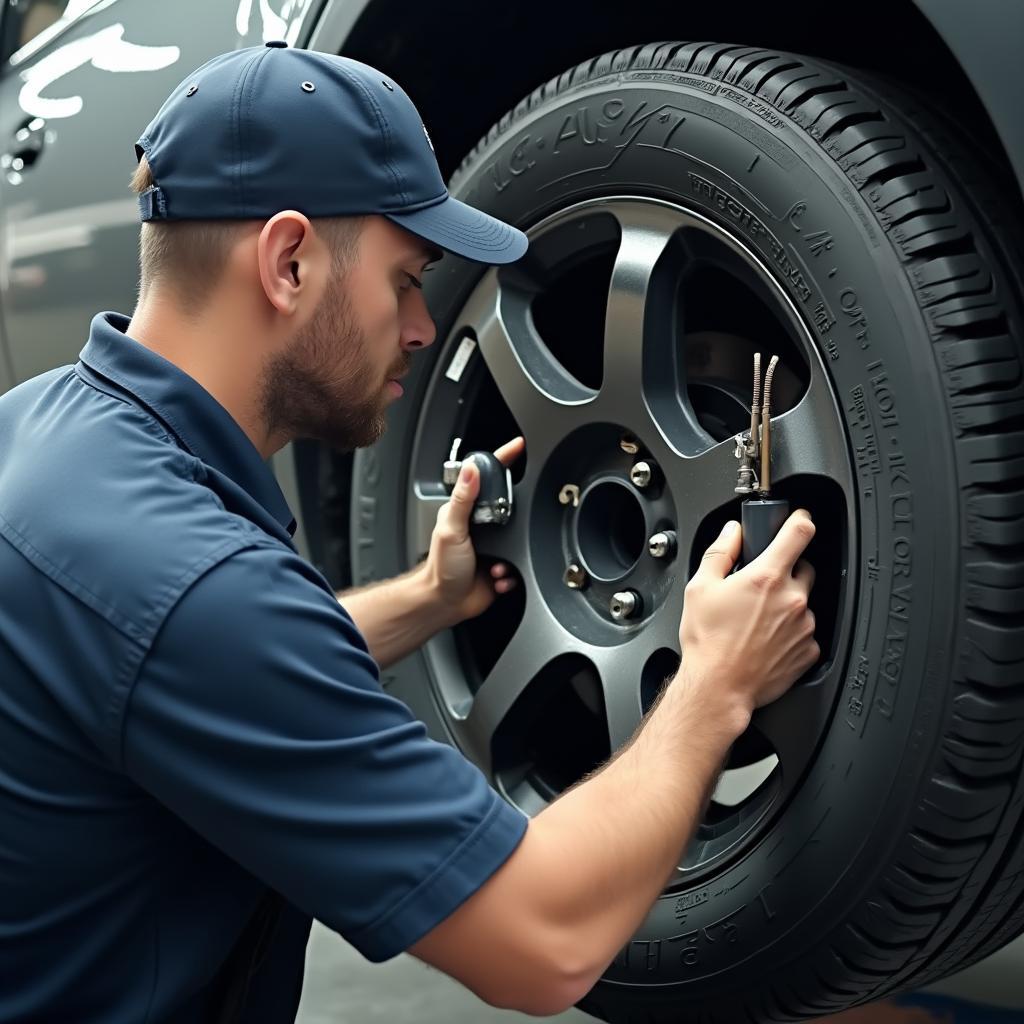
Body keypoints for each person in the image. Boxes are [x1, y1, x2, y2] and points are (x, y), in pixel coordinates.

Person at [0, 43, 817, 1022]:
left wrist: (430, 600)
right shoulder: (195, 588)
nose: (425, 327)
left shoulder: (42, 429)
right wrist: (714, 680)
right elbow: (544, 942)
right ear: (287, 260)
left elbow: (177, 668)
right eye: (404, 279)